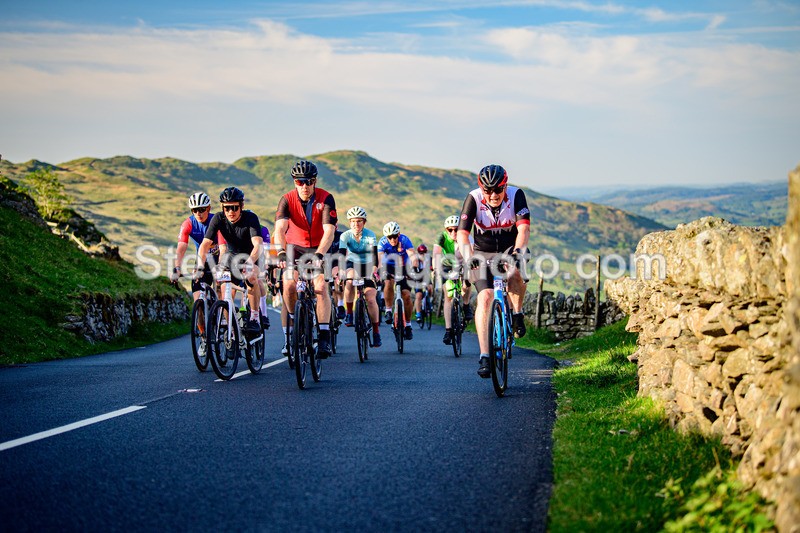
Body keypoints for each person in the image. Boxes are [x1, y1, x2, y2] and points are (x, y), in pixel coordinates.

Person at [457, 164, 530, 378]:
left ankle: (517, 314)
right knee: (486, 297)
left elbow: (524, 228)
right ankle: (485, 356)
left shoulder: (516, 195)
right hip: (482, 252)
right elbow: (462, 234)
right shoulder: (474, 198)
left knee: (515, 272)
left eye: (498, 189)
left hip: (509, 248)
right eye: (488, 190)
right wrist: (469, 257)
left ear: (505, 186)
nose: (493, 195)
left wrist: (518, 252)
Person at [273, 160, 338, 359]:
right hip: (295, 247)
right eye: (300, 182)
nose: (305, 186)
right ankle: (295, 321)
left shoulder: (326, 198)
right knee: (289, 285)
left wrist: (319, 254)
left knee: (319, 286)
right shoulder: (286, 200)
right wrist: (281, 252)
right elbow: (280, 230)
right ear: (295, 182)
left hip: (319, 246)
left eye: (309, 182)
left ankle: (325, 335)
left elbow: (330, 231)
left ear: (315, 181)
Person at [196, 187, 265, 335]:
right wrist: (200, 266)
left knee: (251, 276)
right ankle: (231, 329)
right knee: (222, 284)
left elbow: (258, 245)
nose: (230, 212)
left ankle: (254, 318)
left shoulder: (250, 218)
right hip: (232, 256)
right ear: (222, 208)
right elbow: (204, 245)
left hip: (252, 255)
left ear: (241, 206)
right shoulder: (219, 218)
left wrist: (250, 262)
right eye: (227, 208)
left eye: (234, 207)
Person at [339, 206, 382, 347]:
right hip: (352, 263)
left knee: (370, 298)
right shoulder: (345, 236)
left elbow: (375, 256)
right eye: (353, 221)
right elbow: (341, 256)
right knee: (350, 280)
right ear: (349, 222)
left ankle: (376, 332)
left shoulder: (370, 235)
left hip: (368, 264)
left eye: (359, 221)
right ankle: (350, 313)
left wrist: (374, 272)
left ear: (364, 222)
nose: (356, 224)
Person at [171, 192, 221, 300]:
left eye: (202, 209)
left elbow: (225, 245)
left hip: (219, 258)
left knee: (219, 291)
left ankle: (222, 314)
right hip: (202, 260)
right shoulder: (188, 224)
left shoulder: (216, 222)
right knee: (197, 297)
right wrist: (177, 268)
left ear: (208, 208)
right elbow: (181, 248)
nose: (198, 213)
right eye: (194, 210)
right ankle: (200, 314)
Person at [434, 214, 474, 345]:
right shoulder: (442, 237)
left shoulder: (467, 237)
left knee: (467, 283)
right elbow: (436, 253)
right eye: (450, 229)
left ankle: (466, 305)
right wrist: (435, 268)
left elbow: (472, 254)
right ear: (446, 230)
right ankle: (448, 329)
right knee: (449, 296)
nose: (453, 232)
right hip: (447, 265)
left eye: (456, 229)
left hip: (464, 263)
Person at [377, 221, 417, 341]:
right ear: (386, 237)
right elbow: (380, 259)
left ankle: (408, 325)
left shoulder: (405, 240)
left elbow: (412, 256)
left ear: (398, 234)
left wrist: (414, 268)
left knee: (407, 296)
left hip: (405, 266)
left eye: (395, 236)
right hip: (388, 265)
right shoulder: (383, 242)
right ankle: (388, 310)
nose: (393, 239)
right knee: (388, 282)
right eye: (390, 237)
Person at [412, 244, 434, 325]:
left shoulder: (429, 259)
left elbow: (433, 267)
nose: (423, 255)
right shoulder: (415, 261)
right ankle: (418, 314)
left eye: (424, 253)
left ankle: (430, 301)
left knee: (430, 288)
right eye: (421, 253)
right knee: (418, 296)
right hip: (418, 279)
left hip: (427, 278)